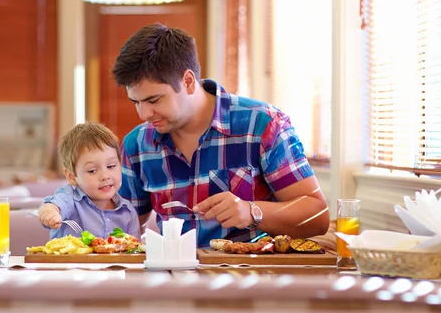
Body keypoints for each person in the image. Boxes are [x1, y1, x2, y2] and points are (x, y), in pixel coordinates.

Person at [113, 23, 329, 248]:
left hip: (253, 277)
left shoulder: (262, 124)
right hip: (172, 279)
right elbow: (122, 229)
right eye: (136, 102)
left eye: (154, 100)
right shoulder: (136, 145)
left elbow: (317, 216)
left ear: (187, 81)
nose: (143, 114)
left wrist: (252, 211)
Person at [37, 122, 140, 240]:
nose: (105, 176)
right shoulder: (69, 198)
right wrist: (50, 213)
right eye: (92, 171)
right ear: (71, 176)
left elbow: (135, 251)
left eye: (111, 166)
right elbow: (54, 205)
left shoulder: (128, 212)